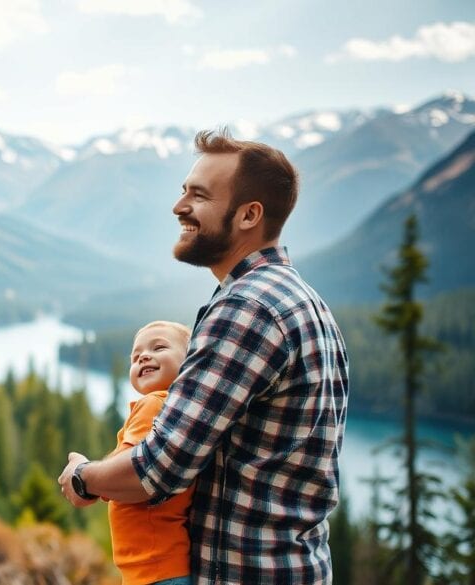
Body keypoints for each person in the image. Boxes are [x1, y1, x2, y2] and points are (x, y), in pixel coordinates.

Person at [58, 129, 349, 584]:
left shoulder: (247, 308)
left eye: (199, 195)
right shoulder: (303, 301)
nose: (179, 207)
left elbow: (159, 468)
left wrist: (84, 477)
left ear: (249, 214)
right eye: (183, 191)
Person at [101, 320, 195, 585]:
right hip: (165, 565)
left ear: (191, 361)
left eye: (159, 347)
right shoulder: (179, 410)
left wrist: (84, 473)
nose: (143, 356)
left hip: (153, 567)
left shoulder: (153, 405)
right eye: (135, 356)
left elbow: (123, 475)